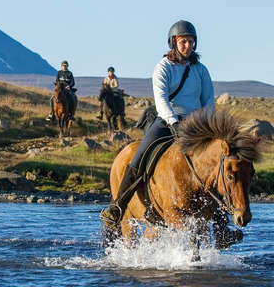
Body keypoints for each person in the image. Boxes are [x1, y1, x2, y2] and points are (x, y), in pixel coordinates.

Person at [99, 20, 242, 247]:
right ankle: (118, 207)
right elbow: (161, 98)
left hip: (197, 126)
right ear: (174, 42)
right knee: (139, 157)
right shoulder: (163, 67)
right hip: (167, 122)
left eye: (191, 41)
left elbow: (208, 101)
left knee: (217, 168)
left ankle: (222, 229)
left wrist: (209, 126)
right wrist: (173, 122)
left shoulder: (200, 70)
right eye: (183, 41)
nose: (187, 45)